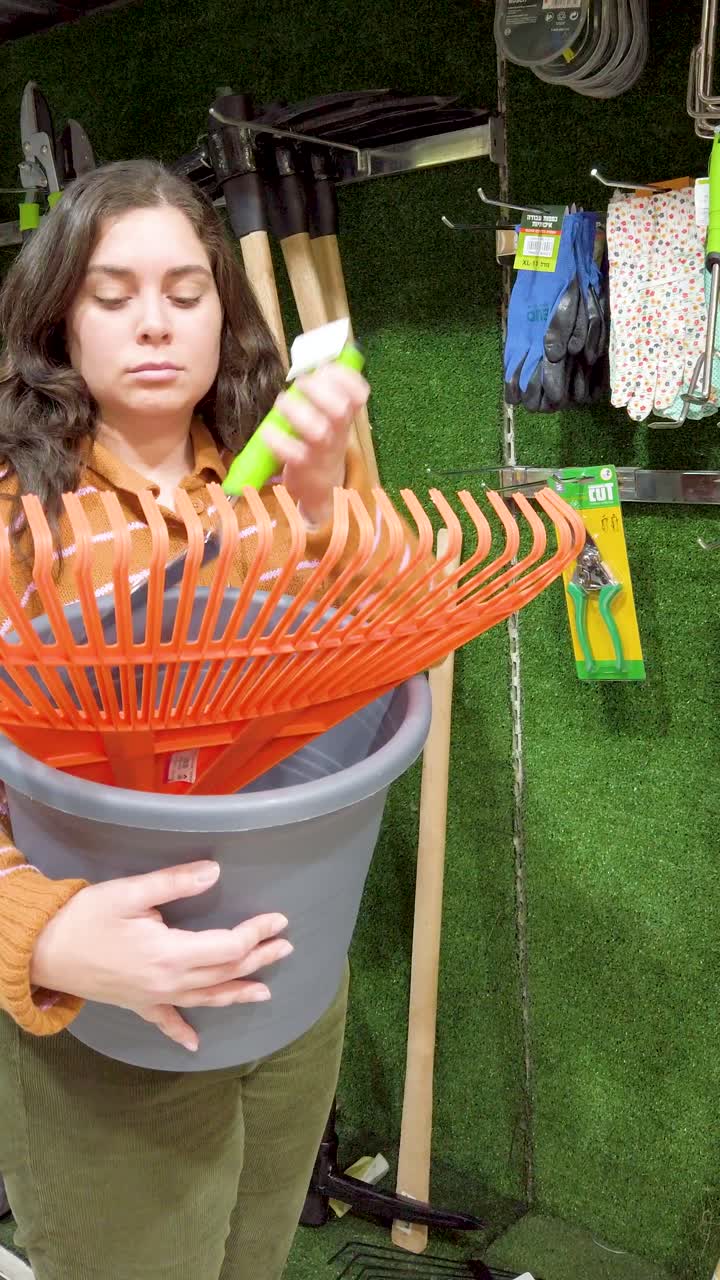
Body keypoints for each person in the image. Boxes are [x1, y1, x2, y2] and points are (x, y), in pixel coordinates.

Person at [0, 158, 385, 1280]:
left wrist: (315, 530)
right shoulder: (19, 518)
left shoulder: (289, 476)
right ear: (60, 318)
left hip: (291, 980)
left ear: (229, 310)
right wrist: (44, 933)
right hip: (103, 1013)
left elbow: (351, 702)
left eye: (186, 290)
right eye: (113, 295)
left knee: (250, 1259)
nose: (154, 323)